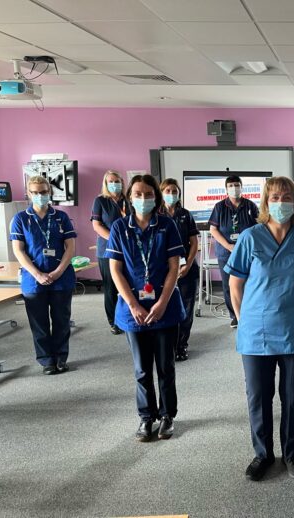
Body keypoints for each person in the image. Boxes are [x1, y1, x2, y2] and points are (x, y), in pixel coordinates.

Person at [227, 176, 294, 482]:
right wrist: (246, 320)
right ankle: (262, 454)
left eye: (287, 198)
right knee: (258, 396)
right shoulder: (250, 237)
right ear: (266, 202)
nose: (281, 203)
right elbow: (235, 284)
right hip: (256, 331)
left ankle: (291, 454)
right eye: (275, 197)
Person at [105, 174, 186, 442]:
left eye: (148, 194)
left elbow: (174, 266)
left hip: (165, 307)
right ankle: (145, 417)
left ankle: (167, 416)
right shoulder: (119, 228)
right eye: (137, 194)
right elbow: (115, 270)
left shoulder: (167, 225)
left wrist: (162, 302)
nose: (143, 199)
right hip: (132, 309)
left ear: (156, 197)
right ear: (130, 197)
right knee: (141, 368)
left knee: (165, 366)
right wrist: (133, 304)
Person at [10, 175, 77, 374]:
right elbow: (19, 251)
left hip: (61, 278)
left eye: (44, 192)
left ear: (50, 193)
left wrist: (57, 272)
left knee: (61, 321)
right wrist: (38, 274)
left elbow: (70, 247)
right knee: (39, 323)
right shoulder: (21, 219)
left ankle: (60, 358)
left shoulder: (61, 217)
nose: (40, 195)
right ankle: (47, 361)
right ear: (29, 194)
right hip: (33, 280)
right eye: (36, 192)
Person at [209, 175, 259, 328]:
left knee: (249, 283)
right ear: (226, 189)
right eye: (230, 186)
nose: (234, 188)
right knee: (228, 284)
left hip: (247, 252)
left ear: (242, 187)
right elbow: (213, 229)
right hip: (226, 252)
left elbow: (259, 227)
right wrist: (228, 246)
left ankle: (248, 312)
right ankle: (235, 315)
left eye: (237, 185)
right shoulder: (219, 207)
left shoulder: (250, 206)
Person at [159, 178, 199, 362]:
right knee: (165, 307)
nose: (171, 194)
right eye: (167, 190)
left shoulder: (185, 214)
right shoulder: (156, 215)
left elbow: (194, 242)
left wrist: (188, 264)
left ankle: (181, 345)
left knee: (186, 308)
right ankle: (167, 344)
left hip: (186, 269)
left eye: (174, 191)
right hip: (163, 271)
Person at [91, 170, 130, 335]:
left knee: (128, 284)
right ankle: (113, 322)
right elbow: (97, 225)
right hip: (107, 250)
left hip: (129, 249)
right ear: (106, 184)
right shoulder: (100, 201)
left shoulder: (128, 200)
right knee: (111, 287)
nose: (115, 184)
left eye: (118, 180)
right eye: (111, 181)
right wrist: (116, 241)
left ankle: (128, 317)